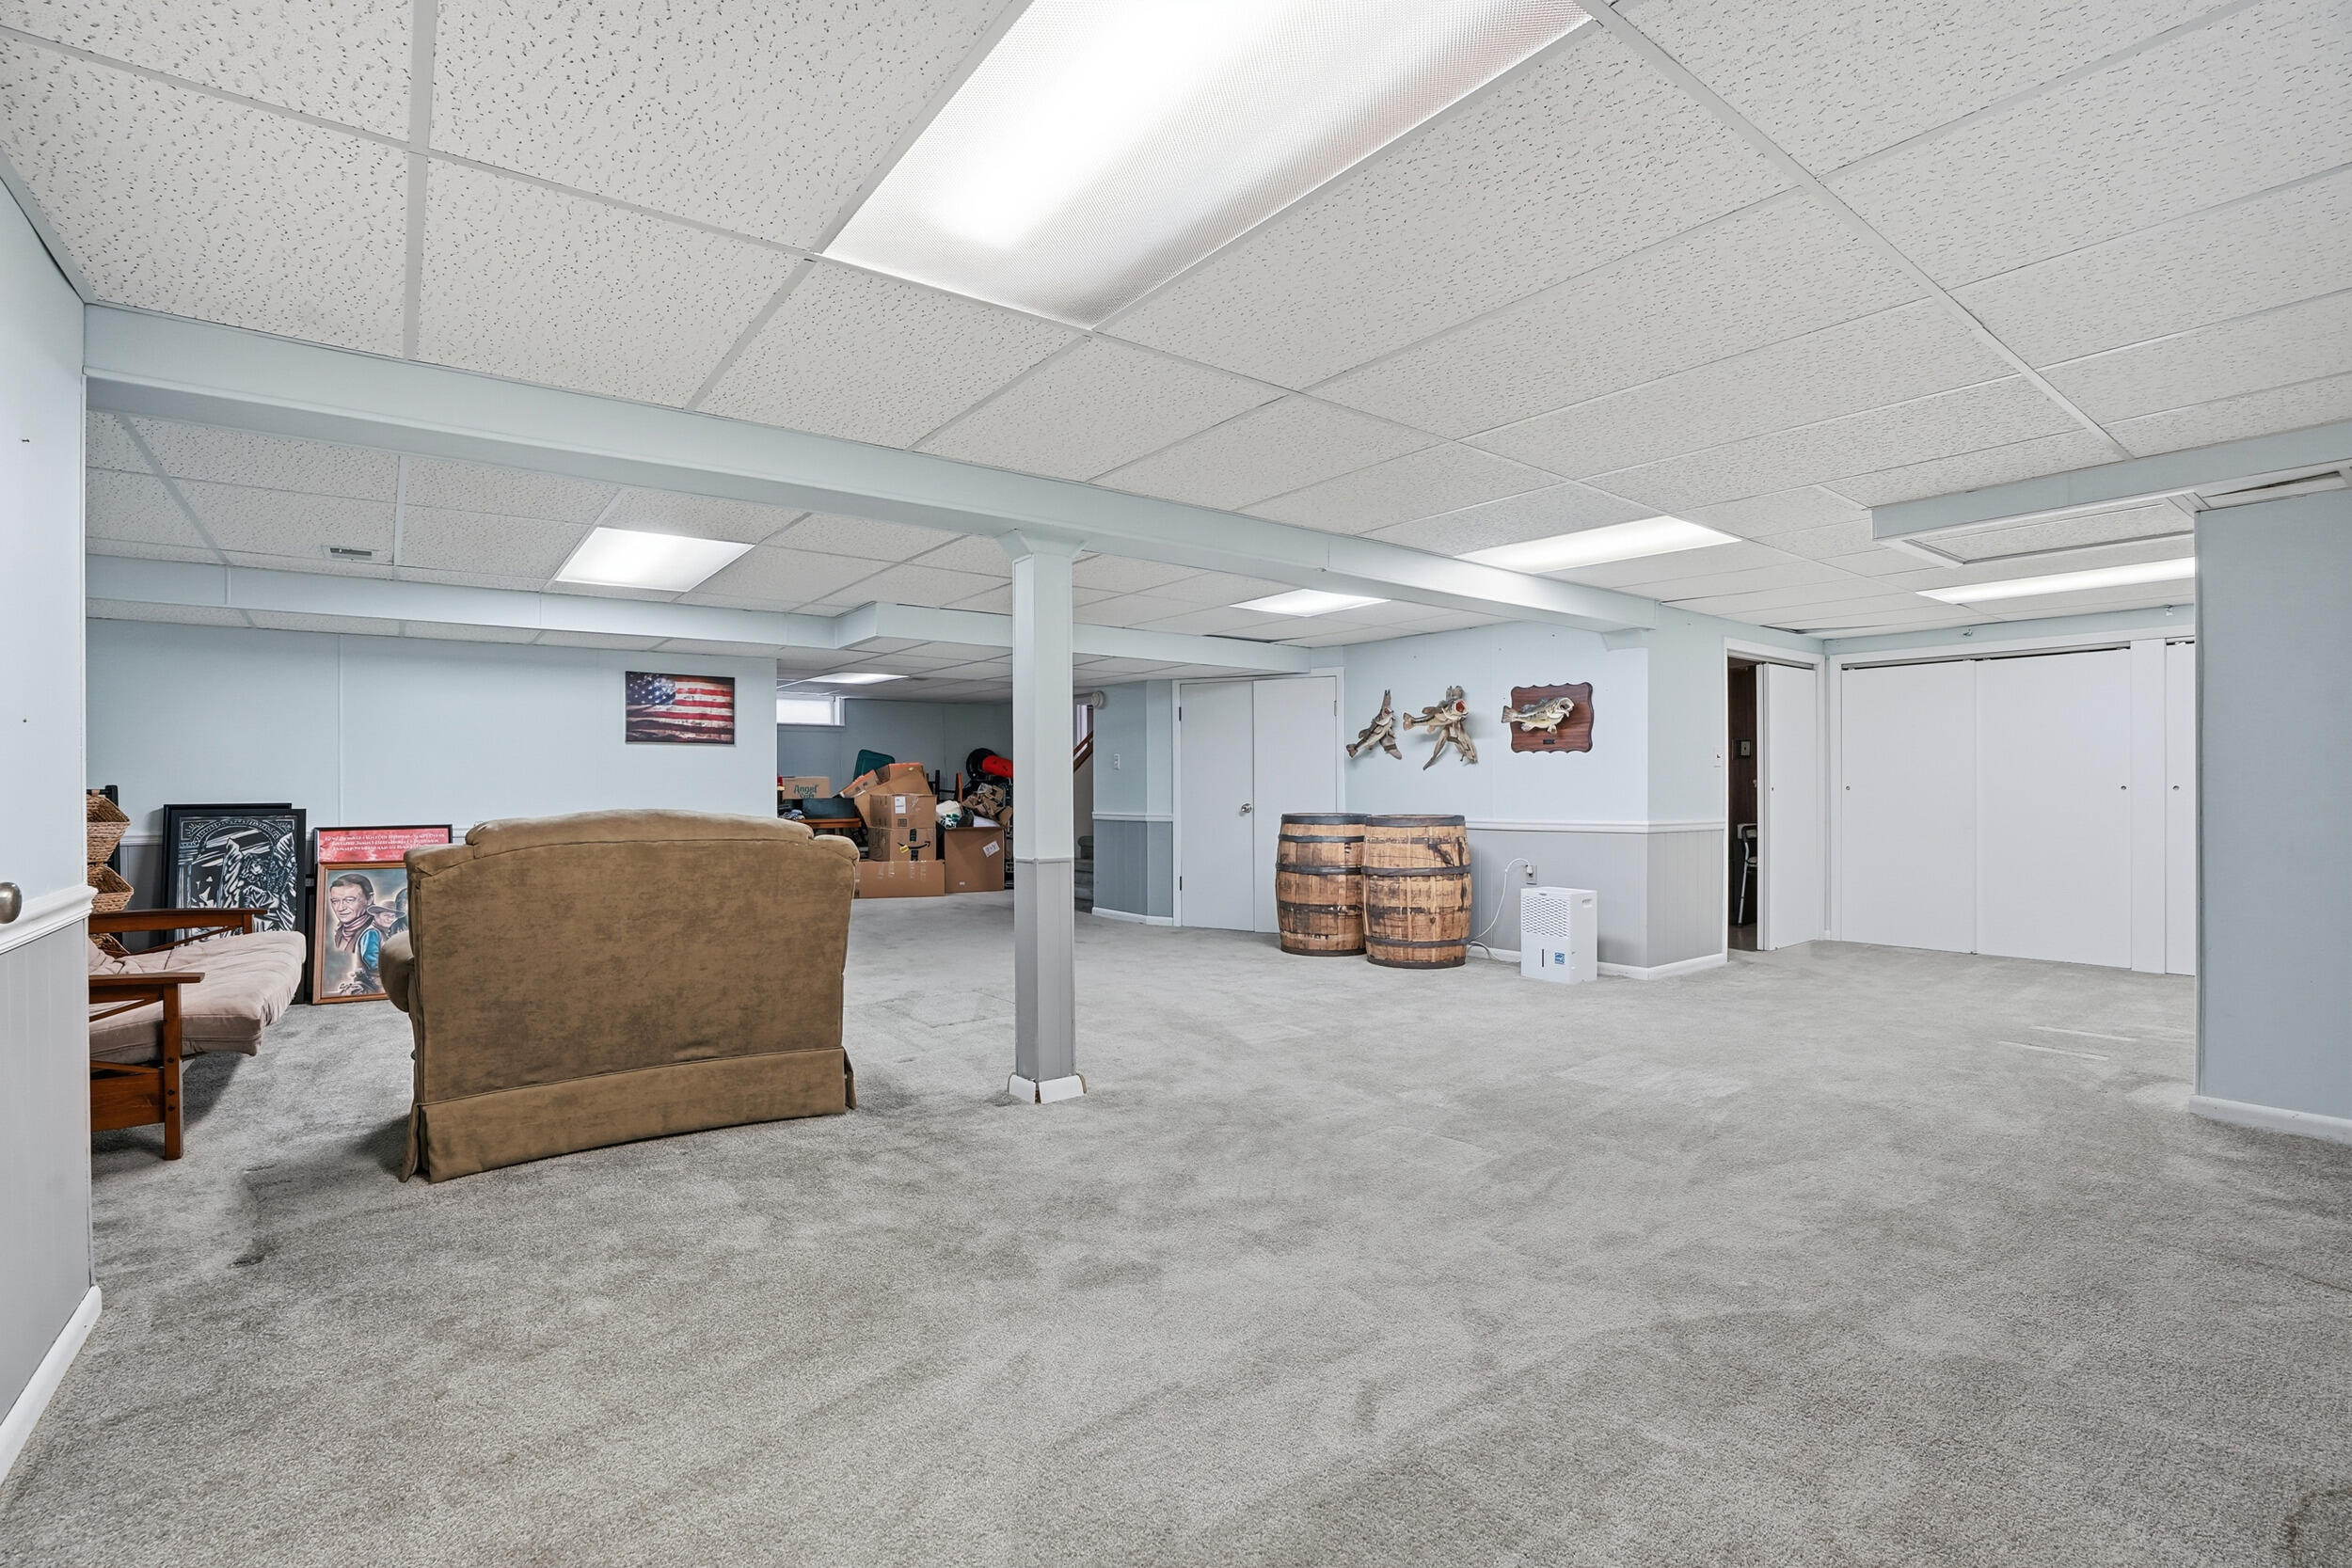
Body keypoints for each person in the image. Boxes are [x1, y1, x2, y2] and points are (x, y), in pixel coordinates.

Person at [326, 872, 404, 996]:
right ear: (377, 915)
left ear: (370, 899)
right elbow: (373, 961)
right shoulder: (371, 933)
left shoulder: (380, 932)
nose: (340, 908)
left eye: (349, 900)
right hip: (373, 984)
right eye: (335, 901)